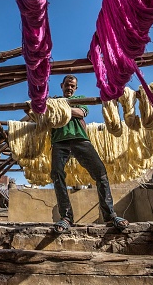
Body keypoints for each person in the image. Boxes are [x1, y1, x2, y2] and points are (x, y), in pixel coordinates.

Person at [51, 74, 129, 233]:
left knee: (100, 172)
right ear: (62, 85)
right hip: (59, 141)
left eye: (72, 86)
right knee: (57, 174)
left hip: (80, 139)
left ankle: (110, 215)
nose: (70, 88)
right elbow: (42, 114)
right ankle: (66, 217)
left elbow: (81, 113)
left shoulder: (79, 98)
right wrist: (50, 105)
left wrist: (59, 107)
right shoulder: (53, 101)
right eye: (67, 85)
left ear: (76, 88)